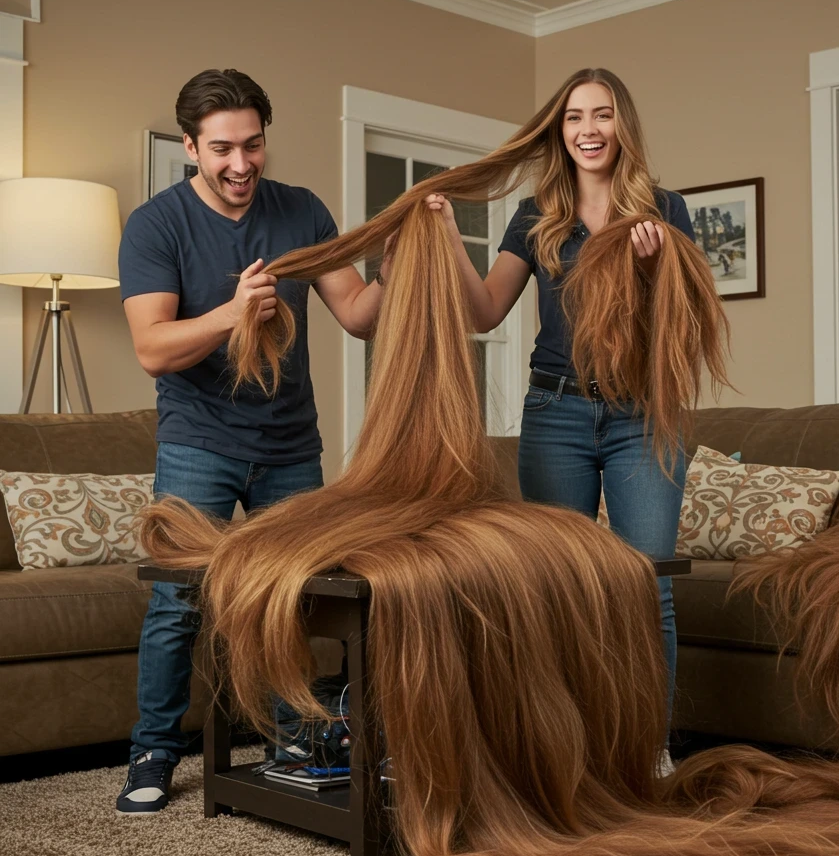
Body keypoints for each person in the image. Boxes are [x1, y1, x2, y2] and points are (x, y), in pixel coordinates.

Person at [115, 68, 384, 814]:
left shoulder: (302, 213)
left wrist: (399, 263)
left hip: (291, 442)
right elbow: (154, 347)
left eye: (254, 145)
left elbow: (359, 313)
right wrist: (232, 314)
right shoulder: (156, 224)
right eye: (224, 149)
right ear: (190, 147)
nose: (241, 165)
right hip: (198, 439)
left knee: (295, 597)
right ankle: (153, 752)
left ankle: (293, 737)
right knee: (177, 600)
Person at [425, 68, 695, 725]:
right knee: (554, 585)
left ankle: (647, 746)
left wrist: (657, 269)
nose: (588, 130)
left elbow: (685, 328)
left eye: (601, 115)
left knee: (647, 583)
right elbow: (484, 310)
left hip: (643, 415)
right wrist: (454, 241)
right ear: (560, 130)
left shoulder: (666, 211)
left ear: (621, 125)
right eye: (575, 118)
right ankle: (564, 742)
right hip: (555, 415)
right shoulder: (534, 217)